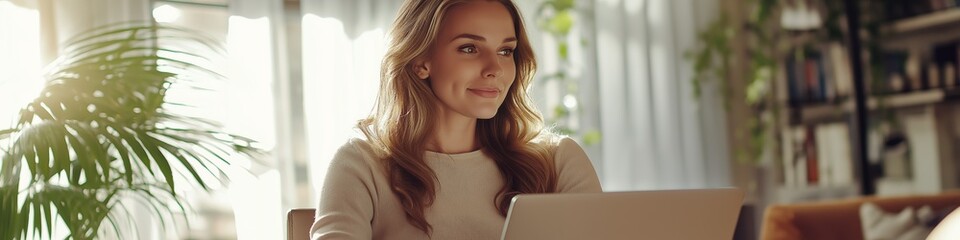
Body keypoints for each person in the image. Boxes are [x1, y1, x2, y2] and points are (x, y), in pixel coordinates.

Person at [310, 0, 602, 239]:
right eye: (469, 48)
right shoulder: (361, 164)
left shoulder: (558, 161)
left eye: (505, 51)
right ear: (420, 61)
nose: (494, 69)